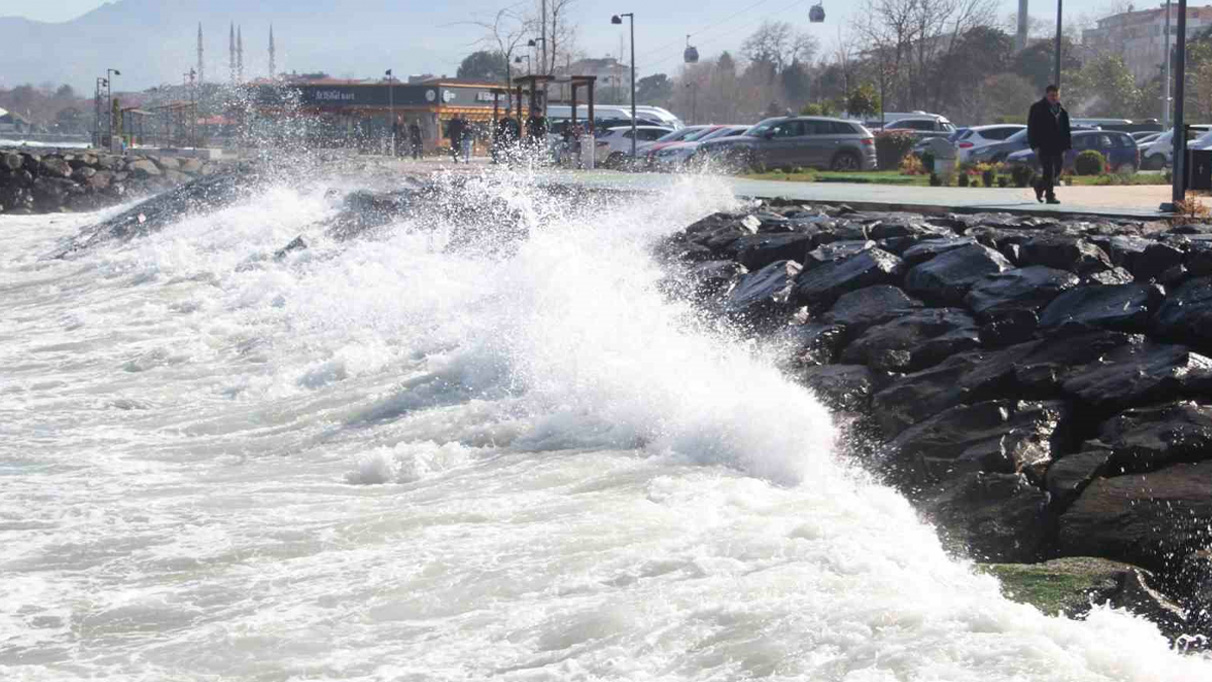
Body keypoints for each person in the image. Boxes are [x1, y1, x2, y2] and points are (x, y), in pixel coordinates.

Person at [1027, 84, 1072, 205]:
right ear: (1046, 95)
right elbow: (1031, 128)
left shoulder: (1062, 111)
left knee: (1057, 171)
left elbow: (1066, 130)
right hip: (1044, 146)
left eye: (1056, 95)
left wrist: (1067, 146)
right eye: (1052, 95)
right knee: (1049, 171)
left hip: (1058, 147)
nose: (1054, 97)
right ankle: (1050, 196)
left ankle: (1039, 185)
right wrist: (1034, 145)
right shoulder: (1037, 108)